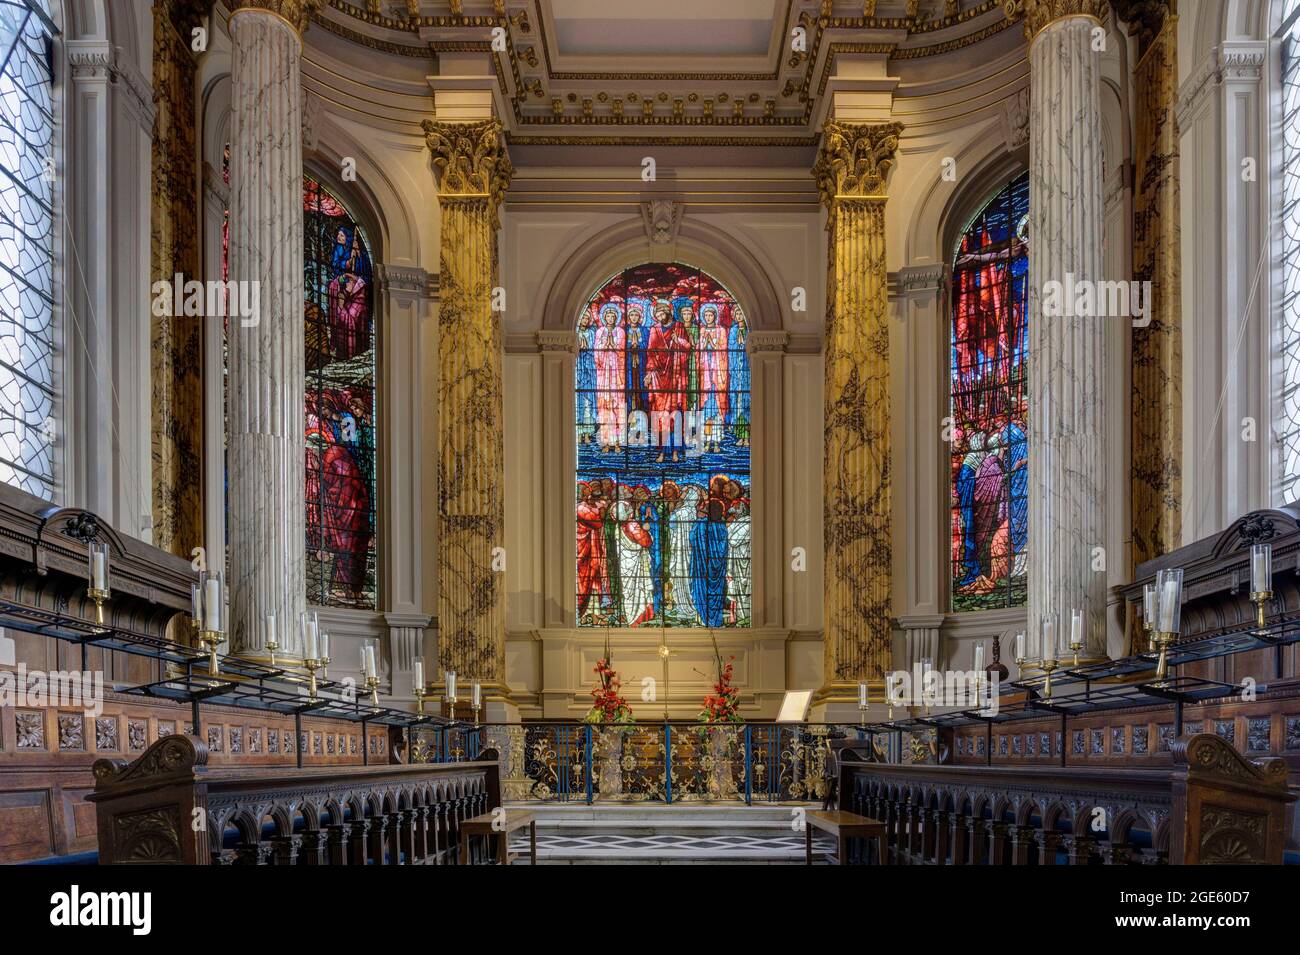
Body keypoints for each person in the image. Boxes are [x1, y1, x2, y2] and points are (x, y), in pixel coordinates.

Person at [645, 301, 692, 462]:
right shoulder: (654, 329)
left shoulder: (679, 326)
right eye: (657, 315)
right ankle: (662, 451)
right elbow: (650, 352)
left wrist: (677, 339)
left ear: (668, 312)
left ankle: (675, 452)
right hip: (658, 375)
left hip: (675, 374)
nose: (659, 317)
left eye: (662, 314)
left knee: (675, 413)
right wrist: (649, 372)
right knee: (660, 415)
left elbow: (688, 346)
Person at [698, 305, 730, 453]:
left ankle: (716, 442)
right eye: (706, 315)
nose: (708, 318)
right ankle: (706, 441)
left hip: (717, 374)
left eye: (711, 315)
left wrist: (713, 343)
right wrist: (705, 343)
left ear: (715, 316)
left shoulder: (721, 330)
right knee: (706, 413)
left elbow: (723, 348)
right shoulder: (702, 330)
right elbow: (698, 350)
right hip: (706, 376)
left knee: (716, 412)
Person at [594, 304, 626, 452]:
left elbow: (621, 351)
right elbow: (596, 352)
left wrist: (612, 344)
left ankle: (618, 442)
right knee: (605, 408)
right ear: (604, 317)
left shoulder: (620, 331)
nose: (611, 318)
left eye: (613, 316)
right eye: (608, 315)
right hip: (603, 375)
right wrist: (604, 345)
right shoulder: (600, 331)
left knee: (617, 407)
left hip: (617, 373)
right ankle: (606, 442)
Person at [576, 309, 597, 445]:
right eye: (582, 318)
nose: (584, 320)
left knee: (588, 403)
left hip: (588, 371)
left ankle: (588, 433)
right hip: (577, 369)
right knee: (577, 403)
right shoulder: (575, 333)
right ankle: (578, 433)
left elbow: (596, 350)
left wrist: (587, 349)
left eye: (586, 318)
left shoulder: (591, 333)